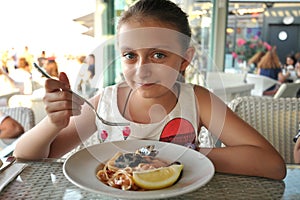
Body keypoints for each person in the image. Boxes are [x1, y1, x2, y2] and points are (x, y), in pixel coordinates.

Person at [14, 0, 286, 180]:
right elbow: (27, 154)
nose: (142, 70)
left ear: (185, 59)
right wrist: (52, 123)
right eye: (130, 55)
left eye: (158, 55)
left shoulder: (197, 100)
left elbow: (272, 165)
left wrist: (180, 156)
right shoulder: (106, 103)